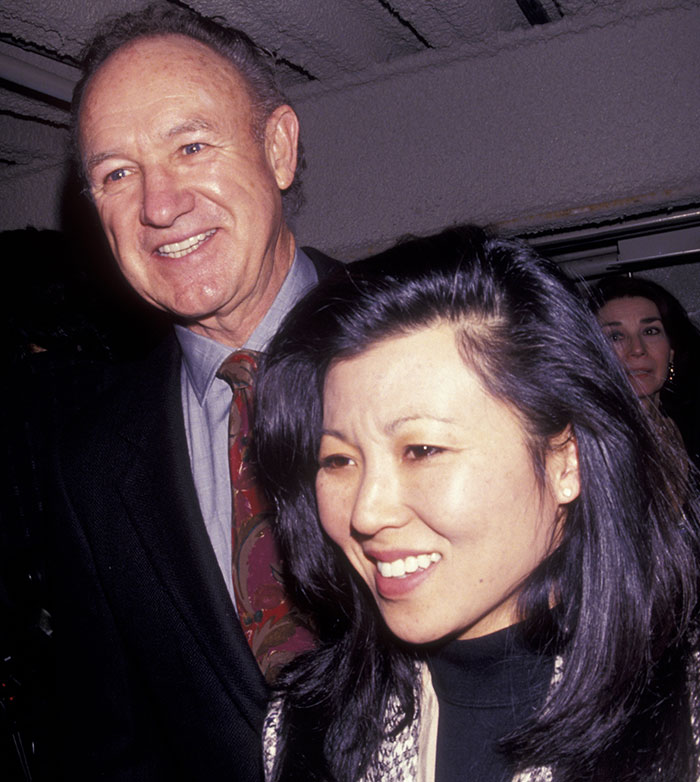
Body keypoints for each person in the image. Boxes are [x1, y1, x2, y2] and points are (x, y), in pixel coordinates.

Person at [255, 226, 700, 781]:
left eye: (421, 449)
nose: (366, 513)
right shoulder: (305, 726)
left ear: (567, 461)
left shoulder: (683, 708)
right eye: (338, 460)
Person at [50, 4, 339, 780]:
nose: (159, 205)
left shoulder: (450, 338)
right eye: (117, 174)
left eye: (191, 145)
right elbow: (112, 746)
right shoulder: (89, 463)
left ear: (277, 148)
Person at [592, 276, 700, 469]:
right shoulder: (585, 449)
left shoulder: (689, 433)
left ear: (671, 352)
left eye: (650, 331)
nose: (637, 349)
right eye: (615, 336)